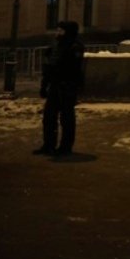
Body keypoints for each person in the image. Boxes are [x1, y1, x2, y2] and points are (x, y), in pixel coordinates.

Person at [33, 21, 85, 157]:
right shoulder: (56, 46)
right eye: (57, 30)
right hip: (55, 86)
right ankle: (49, 145)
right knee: (49, 117)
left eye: (61, 31)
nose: (58, 33)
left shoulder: (75, 46)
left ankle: (65, 147)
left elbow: (72, 68)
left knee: (66, 118)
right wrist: (44, 85)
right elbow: (49, 67)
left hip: (67, 86)